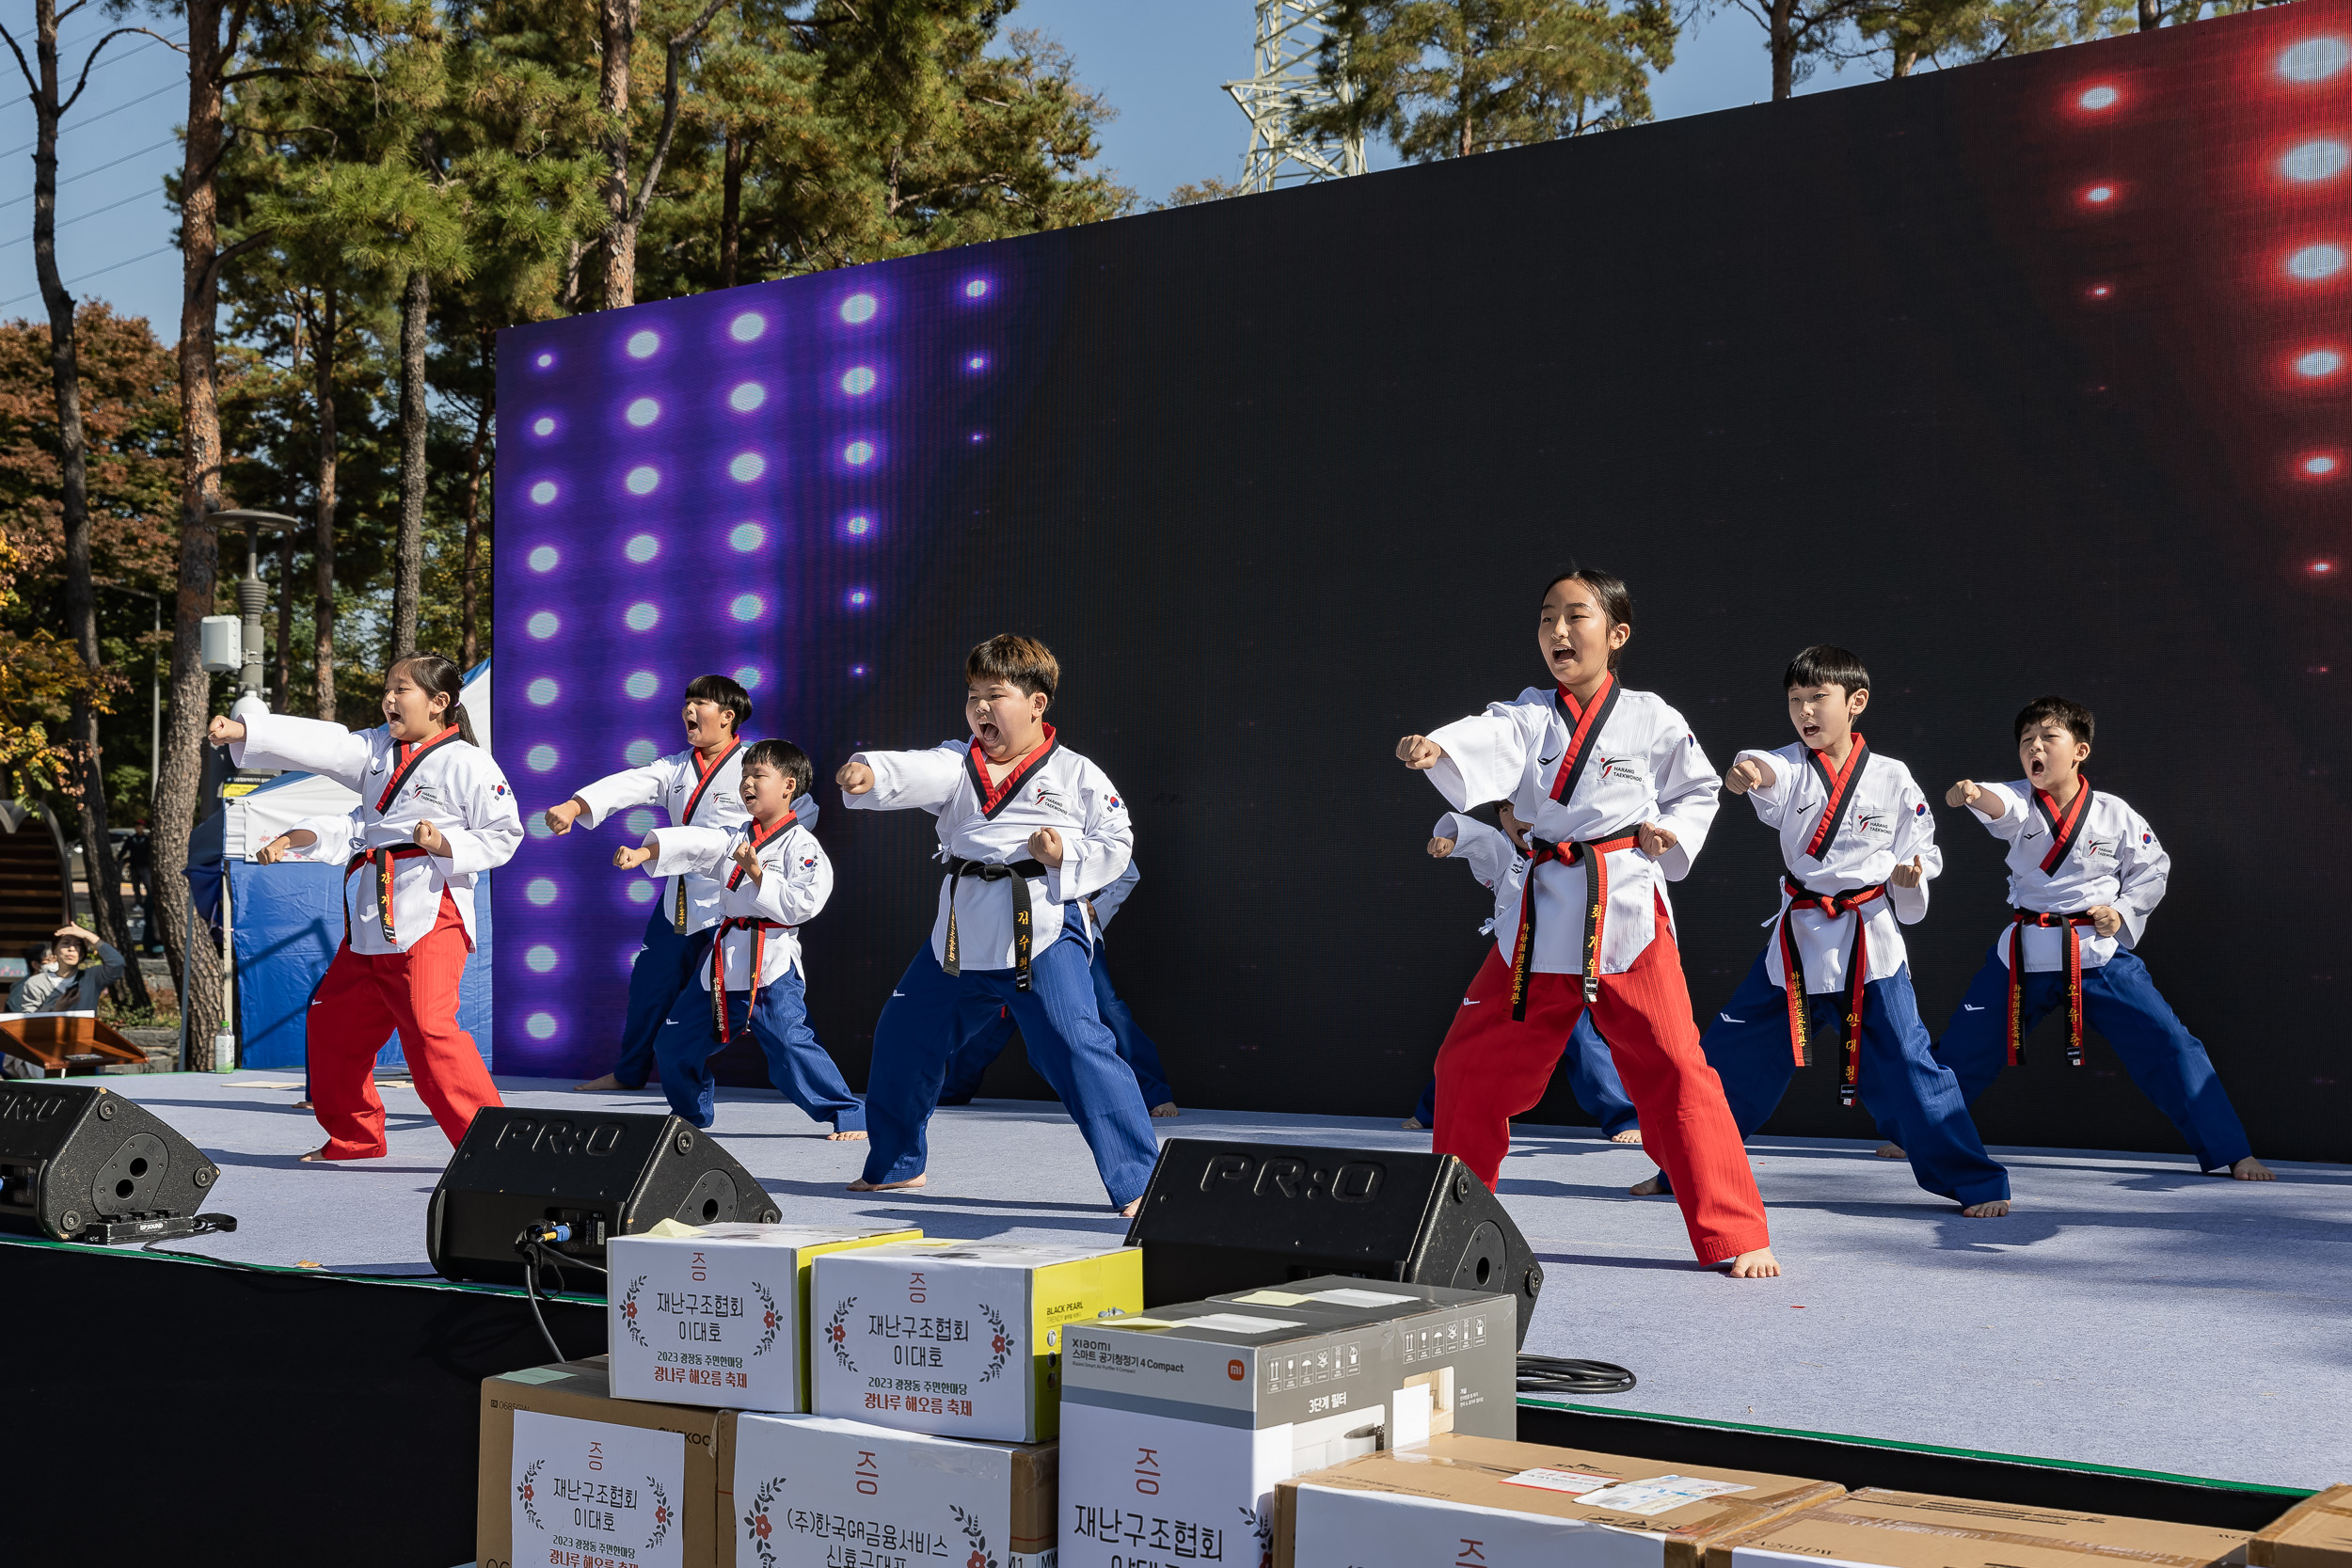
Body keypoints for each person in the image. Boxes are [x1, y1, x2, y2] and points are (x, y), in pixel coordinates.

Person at [1397, 567, 1778, 1276]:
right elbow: (1490, 739)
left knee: (1675, 1068)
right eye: (1547, 618)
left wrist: (1671, 833)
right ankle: (1449, 1230)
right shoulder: (1528, 712)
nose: (1558, 632)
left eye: (1576, 616)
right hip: (1539, 913)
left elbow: (1697, 790)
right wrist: (1441, 750)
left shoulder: (1653, 717)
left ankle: (1735, 1230)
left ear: (1618, 633)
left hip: (1623, 907)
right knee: (1467, 1068)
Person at [1628, 646, 2010, 1215]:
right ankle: (1681, 1168)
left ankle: (1979, 1183)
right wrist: (1749, 770)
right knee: (1727, 1061)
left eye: (1817, 699)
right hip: (1798, 946)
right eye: (1795, 700)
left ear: (1856, 703)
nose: (1805, 711)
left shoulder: (1892, 777)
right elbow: (1766, 768)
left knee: (1912, 1067)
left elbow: (1923, 850)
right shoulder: (1789, 764)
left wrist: (1911, 874)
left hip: (1869, 947)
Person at [837, 633, 1157, 1213]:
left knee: (1078, 1048)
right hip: (959, 936)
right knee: (903, 1038)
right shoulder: (958, 764)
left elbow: (1118, 843)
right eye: (973, 696)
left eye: (996, 695)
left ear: (1037, 703)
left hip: (1042, 928)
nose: (981, 708)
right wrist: (870, 772)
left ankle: (1140, 1181)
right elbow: (917, 770)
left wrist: (1063, 855)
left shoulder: (1077, 774)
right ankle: (896, 1164)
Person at [1929, 695, 2270, 1181]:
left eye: (2049, 737)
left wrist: (2122, 911)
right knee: (1966, 1047)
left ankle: (2233, 1151)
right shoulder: (2020, 801)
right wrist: (1972, 793)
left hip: (2096, 952)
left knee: (2170, 1044)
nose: (2035, 748)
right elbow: (1997, 803)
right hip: (2026, 951)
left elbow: (2153, 869)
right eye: (2027, 741)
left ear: (2079, 751)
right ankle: (1917, 1135)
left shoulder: (2114, 814)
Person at [212, 653, 522, 1161]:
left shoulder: (468, 761)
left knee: (429, 1029)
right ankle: (355, 1137)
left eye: (403, 690)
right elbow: (338, 767)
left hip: (431, 909)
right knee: (332, 1023)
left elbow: (507, 833)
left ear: (440, 703)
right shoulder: (378, 749)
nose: (389, 699)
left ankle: (496, 1152)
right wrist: (249, 732)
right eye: (388, 688)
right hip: (372, 916)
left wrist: (445, 844)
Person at [615, 738, 866, 1137]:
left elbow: (804, 903)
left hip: (771, 963)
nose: (747, 783)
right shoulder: (733, 836)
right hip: (723, 962)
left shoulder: (802, 845)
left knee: (789, 1045)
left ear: (788, 786)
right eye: (744, 776)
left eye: (758, 776)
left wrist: (758, 873)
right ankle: (692, 1117)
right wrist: (646, 854)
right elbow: (697, 844)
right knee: (674, 1042)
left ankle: (847, 1112)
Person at [541, 674, 770, 1094]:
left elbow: (801, 811)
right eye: (687, 701)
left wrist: (762, 861)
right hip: (683, 896)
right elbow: (629, 784)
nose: (688, 710)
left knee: (759, 996)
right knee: (650, 986)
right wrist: (576, 805)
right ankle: (629, 1073)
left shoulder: (760, 764)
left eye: (700, 702)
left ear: (728, 716)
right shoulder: (674, 767)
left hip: (741, 891)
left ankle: (807, 1092)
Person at [1410, 810, 1640, 1142]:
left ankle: (1623, 1118)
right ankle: (1434, 1110)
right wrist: (1453, 840)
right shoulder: (1508, 858)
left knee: (1579, 1039)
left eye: (1525, 809)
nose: (1517, 819)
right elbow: (1482, 842)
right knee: (1473, 1039)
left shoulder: (1575, 849)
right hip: (1510, 966)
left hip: (1560, 965)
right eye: (1506, 810)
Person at [935, 861, 1180, 1117]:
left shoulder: (1080, 819)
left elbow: (1126, 871)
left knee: (1107, 1008)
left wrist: (1098, 908)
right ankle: (954, 1089)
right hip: (1007, 929)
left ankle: (1154, 1094)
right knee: (991, 1012)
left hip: (1065, 931)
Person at [11, 925, 126, 1014]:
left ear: (82, 954)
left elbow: (117, 963)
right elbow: (29, 1023)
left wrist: (89, 935)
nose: (71, 948)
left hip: (83, 1041)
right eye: (66, 943)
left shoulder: (92, 977)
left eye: (77, 945)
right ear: (55, 950)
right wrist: (57, 1010)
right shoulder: (35, 983)